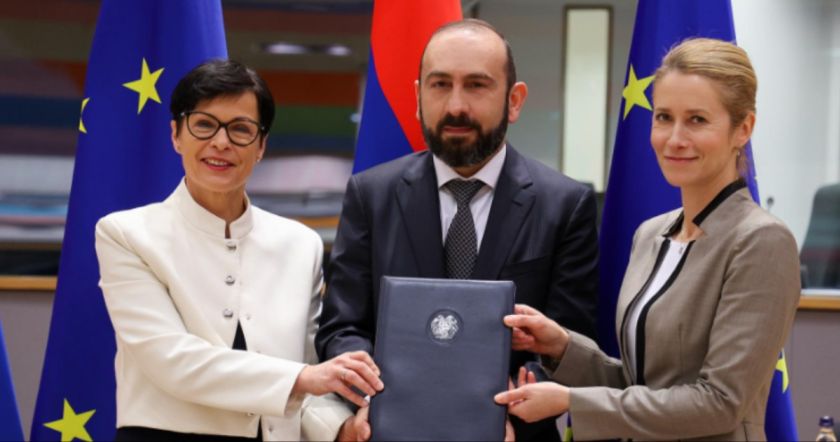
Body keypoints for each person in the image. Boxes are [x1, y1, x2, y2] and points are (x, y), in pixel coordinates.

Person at [494, 38, 801, 441]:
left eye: (697, 120)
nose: (674, 138)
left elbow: (720, 403)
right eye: (663, 117)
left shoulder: (762, 241)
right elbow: (645, 387)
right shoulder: (650, 234)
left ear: (743, 129)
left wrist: (571, 401)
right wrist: (562, 347)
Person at [315, 19, 599, 441]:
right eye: (440, 85)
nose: (456, 106)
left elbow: (572, 341)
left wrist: (519, 395)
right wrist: (379, 393)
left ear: (514, 100)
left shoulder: (566, 204)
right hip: (393, 429)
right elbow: (342, 328)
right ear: (418, 97)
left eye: (477, 85)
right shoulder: (370, 195)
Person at [94, 60, 381, 441]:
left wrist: (340, 428)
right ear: (176, 134)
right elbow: (171, 360)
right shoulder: (126, 234)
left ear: (261, 146)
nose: (221, 142)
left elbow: (311, 372)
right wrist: (303, 377)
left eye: (241, 129)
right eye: (203, 124)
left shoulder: (300, 244)